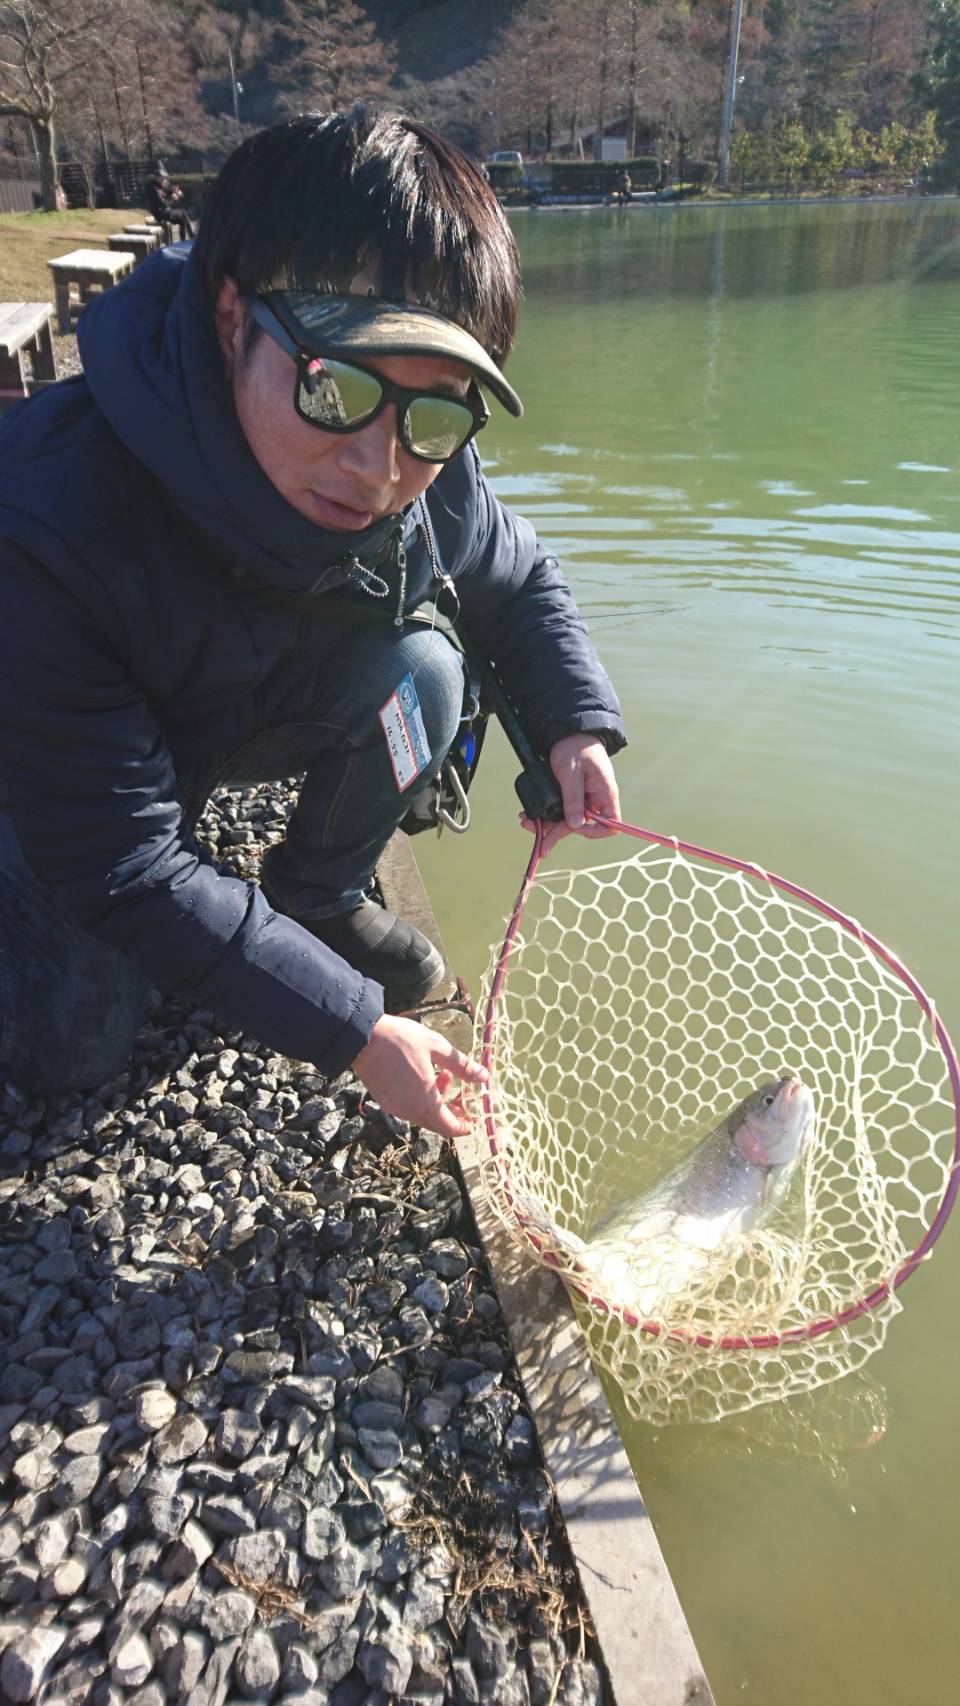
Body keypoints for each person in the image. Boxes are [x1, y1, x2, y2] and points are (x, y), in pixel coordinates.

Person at [0, 108, 624, 1137]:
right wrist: (355, 1033)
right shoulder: (49, 520)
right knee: (76, 1042)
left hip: (216, 703)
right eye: (335, 385)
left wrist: (572, 726)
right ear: (235, 318)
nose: (380, 467)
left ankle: (317, 892)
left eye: (433, 413)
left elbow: (517, 579)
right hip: (54, 767)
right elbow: (126, 863)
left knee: (427, 672)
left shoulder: (429, 470)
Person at [144, 164, 195, 240]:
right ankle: (192, 237)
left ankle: (184, 240)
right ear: (158, 178)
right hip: (161, 214)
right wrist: (172, 199)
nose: (165, 180)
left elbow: (166, 191)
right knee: (183, 213)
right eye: (163, 178)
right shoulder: (154, 189)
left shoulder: (155, 185)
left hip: (162, 212)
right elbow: (163, 204)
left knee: (182, 220)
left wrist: (173, 191)